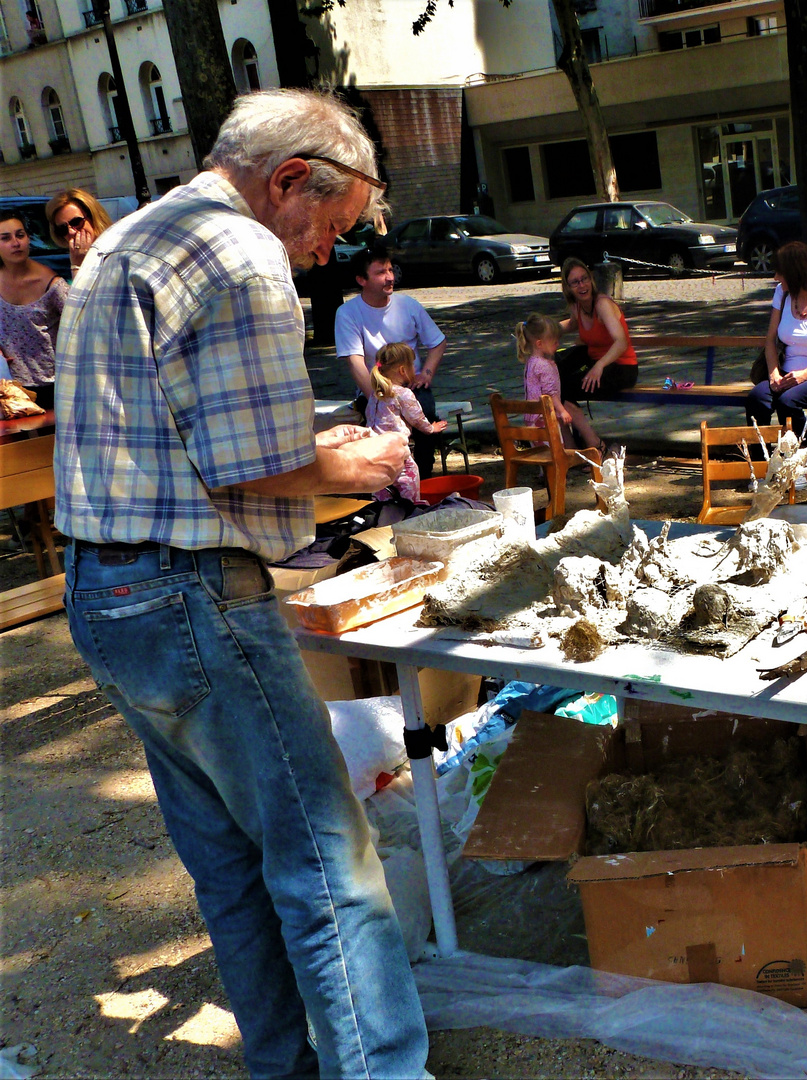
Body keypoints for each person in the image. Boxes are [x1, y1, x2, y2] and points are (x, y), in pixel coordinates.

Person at [52, 89, 429, 1077]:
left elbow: (185, 433)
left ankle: (280, 1064)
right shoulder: (242, 249)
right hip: (191, 593)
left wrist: (309, 450)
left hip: (104, 586)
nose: (327, 253)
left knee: (227, 863)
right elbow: (243, 463)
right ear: (289, 180)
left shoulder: (126, 238)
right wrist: (356, 463)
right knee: (327, 865)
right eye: (332, 227)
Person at [335, 247, 448, 474]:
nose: (390, 277)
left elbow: (437, 342)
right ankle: (386, 482)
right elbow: (355, 362)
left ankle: (425, 477)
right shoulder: (347, 313)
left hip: (410, 386)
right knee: (382, 434)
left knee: (425, 417)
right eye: (380, 273)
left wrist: (425, 374)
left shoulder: (408, 305)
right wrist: (379, 397)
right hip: (375, 389)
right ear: (361, 280)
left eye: (390, 270)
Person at [746, 240, 807, 442]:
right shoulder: (782, 293)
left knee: (788, 401)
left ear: (795, 274)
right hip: (787, 372)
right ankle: (760, 463)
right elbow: (770, 340)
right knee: (757, 397)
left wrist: (805, 375)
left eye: (780, 273)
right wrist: (774, 372)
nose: (776, 277)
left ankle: (801, 460)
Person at [367, 341, 449, 502]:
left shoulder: (376, 394)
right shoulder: (403, 393)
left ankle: (384, 515)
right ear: (403, 370)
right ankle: (410, 511)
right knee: (408, 480)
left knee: (381, 494)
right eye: (412, 365)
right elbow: (416, 417)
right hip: (397, 451)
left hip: (375, 451)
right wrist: (431, 428)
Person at [0, 211, 66, 410]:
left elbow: (84, 323)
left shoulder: (51, 283)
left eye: (20, 235)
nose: (15, 243)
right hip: (12, 390)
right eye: (5, 238)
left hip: (56, 386)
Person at [517, 311, 602, 451]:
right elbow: (550, 392)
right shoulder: (544, 366)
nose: (558, 344)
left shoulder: (531, 362)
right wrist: (562, 411)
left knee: (545, 453)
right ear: (539, 343)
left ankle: (546, 471)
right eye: (554, 341)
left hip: (532, 417)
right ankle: (558, 470)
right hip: (543, 418)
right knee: (555, 450)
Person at [556, 257, 639, 401]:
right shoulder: (577, 306)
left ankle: (575, 423)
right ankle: (567, 421)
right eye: (575, 282)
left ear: (591, 279)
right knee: (553, 370)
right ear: (568, 287)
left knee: (566, 387)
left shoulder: (602, 304)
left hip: (621, 367)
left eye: (585, 279)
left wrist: (599, 366)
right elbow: (572, 324)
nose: (582, 285)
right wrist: (542, 329)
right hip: (595, 360)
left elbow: (621, 342)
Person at [46, 187, 112, 276]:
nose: (71, 232)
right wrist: (77, 265)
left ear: (93, 217)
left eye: (76, 222)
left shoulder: (115, 251)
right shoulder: (63, 263)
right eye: (62, 228)